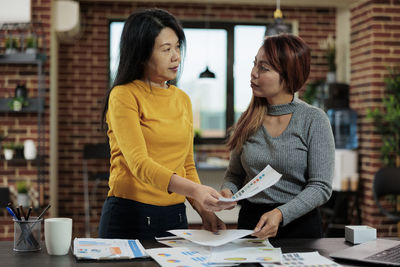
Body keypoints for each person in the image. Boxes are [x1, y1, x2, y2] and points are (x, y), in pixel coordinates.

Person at [99, 8, 234, 240]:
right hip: (129, 216)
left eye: (177, 47)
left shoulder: (182, 99)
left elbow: (187, 164)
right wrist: (196, 191)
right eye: (166, 49)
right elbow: (139, 164)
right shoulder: (124, 95)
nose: (176, 57)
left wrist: (202, 208)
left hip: (175, 216)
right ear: (142, 54)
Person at [220, 34, 335, 239]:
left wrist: (281, 213)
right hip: (250, 226)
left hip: (300, 228)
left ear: (288, 75)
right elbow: (234, 175)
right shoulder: (247, 120)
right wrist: (228, 192)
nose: (253, 73)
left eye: (264, 68)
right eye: (254, 64)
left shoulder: (314, 119)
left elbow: (321, 187)